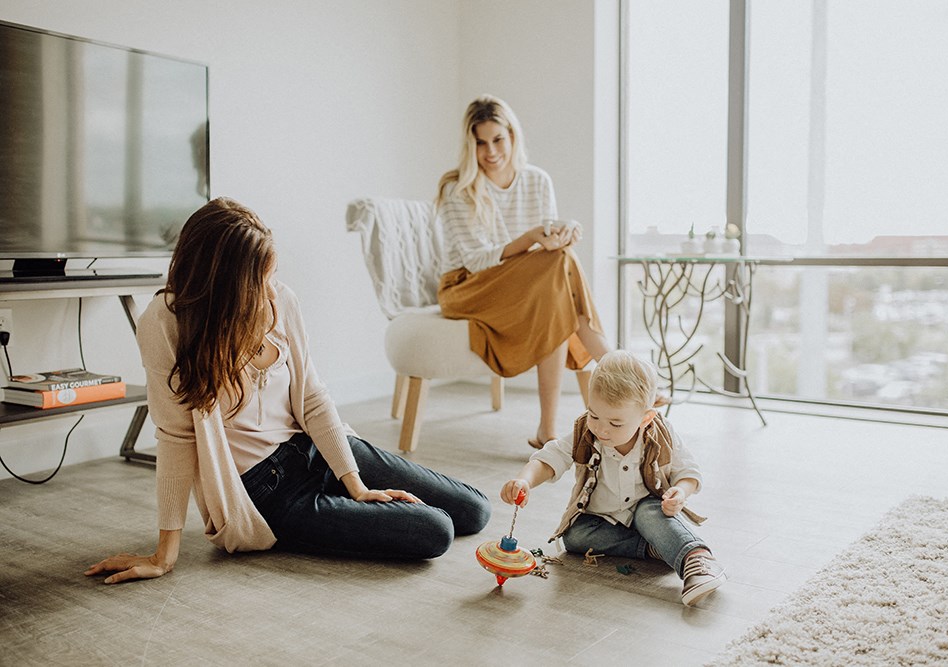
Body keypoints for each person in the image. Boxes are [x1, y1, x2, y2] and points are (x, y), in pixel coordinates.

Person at [85, 197, 491, 584]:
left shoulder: (282, 301)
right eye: (259, 280)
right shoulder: (166, 322)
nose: (271, 290)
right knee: (435, 530)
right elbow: (176, 436)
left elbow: (313, 398)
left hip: (313, 447)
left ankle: (346, 496)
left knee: (475, 511)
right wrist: (164, 554)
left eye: (272, 275)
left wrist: (356, 485)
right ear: (225, 286)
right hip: (268, 489)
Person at [435, 94, 620, 449]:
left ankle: (547, 431)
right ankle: (617, 368)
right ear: (469, 145)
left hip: (522, 285)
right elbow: (475, 260)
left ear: (512, 137)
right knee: (557, 270)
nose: (490, 152)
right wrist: (533, 238)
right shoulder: (457, 188)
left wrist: (562, 233)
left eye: (498, 139)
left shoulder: (537, 180)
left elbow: (544, 251)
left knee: (557, 275)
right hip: (467, 287)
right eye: (480, 143)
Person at [499, 350, 726, 606]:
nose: (601, 428)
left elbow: (689, 472)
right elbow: (551, 457)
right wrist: (524, 480)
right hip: (601, 519)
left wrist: (681, 492)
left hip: (648, 509)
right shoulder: (585, 431)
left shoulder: (660, 433)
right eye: (594, 415)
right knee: (574, 537)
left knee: (650, 514)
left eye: (616, 423)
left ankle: (696, 560)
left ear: (645, 418)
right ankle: (655, 546)